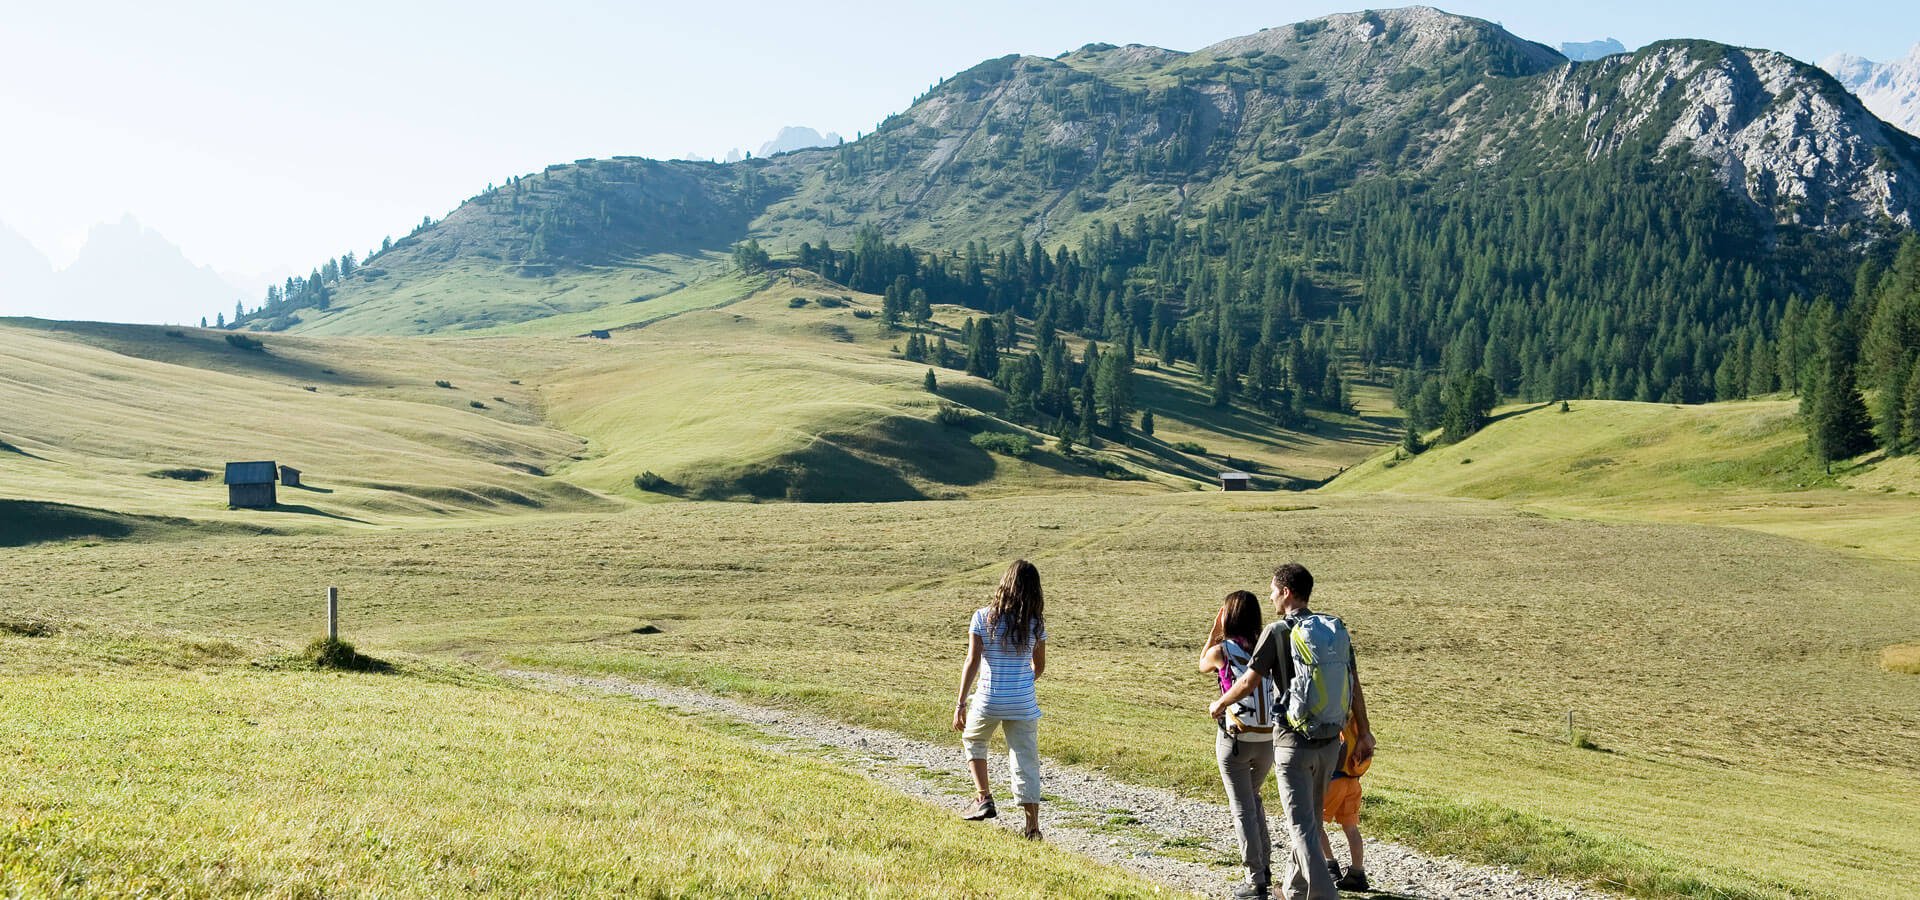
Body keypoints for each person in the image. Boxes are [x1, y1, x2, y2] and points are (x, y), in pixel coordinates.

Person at [1210, 563, 1374, 900]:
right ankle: (1296, 890)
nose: (1270, 596)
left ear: (1286, 592)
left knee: (1301, 827)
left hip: (1292, 743)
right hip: (1331, 742)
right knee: (1311, 820)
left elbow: (1247, 681)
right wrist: (1366, 732)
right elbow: (1354, 684)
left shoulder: (1277, 631)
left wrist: (1220, 704)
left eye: (1273, 590)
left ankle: (1324, 895)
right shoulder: (1333, 628)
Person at [952, 559, 1047, 839]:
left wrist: (960, 703)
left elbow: (972, 661)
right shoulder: (1035, 623)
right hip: (1023, 702)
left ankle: (984, 798)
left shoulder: (982, 617)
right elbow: (1038, 666)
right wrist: (1021, 680)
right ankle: (1032, 827)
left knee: (974, 739)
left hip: (988, 699)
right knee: (1025, 760)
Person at [1200, 590, 1278, 899]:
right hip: (1267, 737)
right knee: (1253, 798)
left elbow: (1202, 663)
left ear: (1227, 616)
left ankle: (1255, 878)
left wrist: (1214, 629)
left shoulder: (1223, 650)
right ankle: (1266, 866)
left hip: (1236, 737)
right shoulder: (1266, 647)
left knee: (1242, 806)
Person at [1318, 715, 1371, 892]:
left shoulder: (1337, 718)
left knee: (1314, 822)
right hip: (1353, 781)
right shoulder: (1360, 724)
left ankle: (1329, 864)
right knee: (1351, 828)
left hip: (1335, 779)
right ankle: (1357, 873)